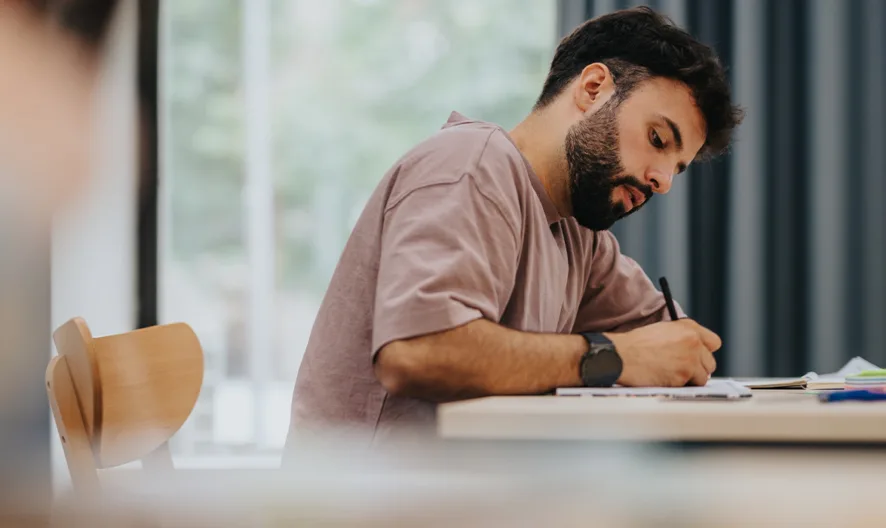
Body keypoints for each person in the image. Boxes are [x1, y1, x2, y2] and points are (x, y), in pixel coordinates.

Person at [286, 6, 743, 448]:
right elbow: (417, 351)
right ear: (594, 87)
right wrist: (616, 356)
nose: (662, 182)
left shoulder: (580, 235)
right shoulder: (470, 166)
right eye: (658, 140)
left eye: (676, 169)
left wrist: (676, 349)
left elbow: (671, 338)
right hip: (366, 504)